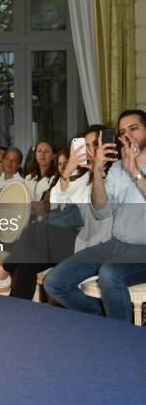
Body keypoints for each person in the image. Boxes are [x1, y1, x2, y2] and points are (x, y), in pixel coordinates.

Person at [0, 126, 112, 297]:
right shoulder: (80, 176)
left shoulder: (112, 175)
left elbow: (96, 212)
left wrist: (96, 172)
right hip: (68, 240)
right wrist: (68, 168)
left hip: (90, 244)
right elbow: (56, 203)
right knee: (27, 257)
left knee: (37, 230)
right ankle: (19, 308)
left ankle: (0, 275)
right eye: (86, 145)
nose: (90, 150)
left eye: (95, 144)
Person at [44, 110, 146, 322]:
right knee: (54, 282)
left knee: (109, 274)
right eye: (122, 132)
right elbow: (101, 210)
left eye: (133, 128)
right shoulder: (117, 168)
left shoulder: (129, 167)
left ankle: (120, 338)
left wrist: (135, 171)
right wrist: (98, 170)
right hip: (116, 243)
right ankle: (104, 319)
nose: (127, 135)